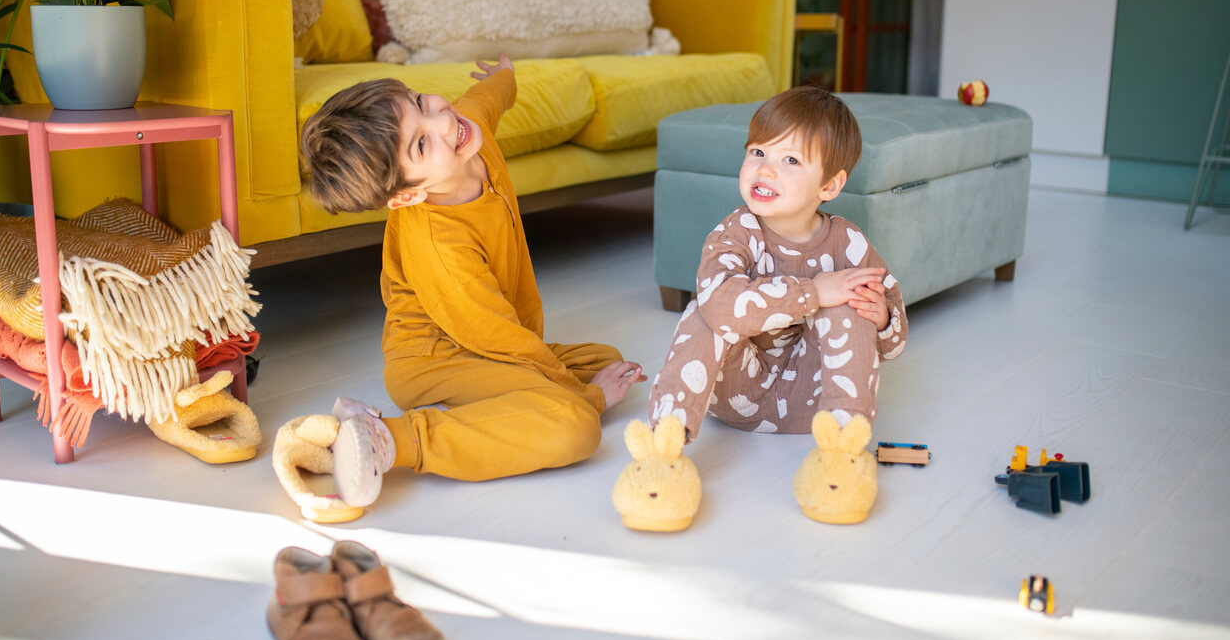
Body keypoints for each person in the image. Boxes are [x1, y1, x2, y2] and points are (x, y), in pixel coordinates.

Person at [298, 53, 647, 504]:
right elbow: (498, 336)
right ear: (407, 195)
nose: (442, 121)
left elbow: (487, 99)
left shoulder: (463, 132)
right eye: (421, 145)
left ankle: (489, 407)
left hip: (481, 336)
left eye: (421, 102)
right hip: (434, 358)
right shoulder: (441, 247)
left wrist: (505, 75)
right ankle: (390, 438)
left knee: (603, 360)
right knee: (576, 424)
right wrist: (590, 400)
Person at [647, 86, 907, 442]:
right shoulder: (735, 232)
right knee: (707, 307)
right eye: (757, 152)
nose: (765, 170)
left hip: (817, 398)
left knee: (853, 300)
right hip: (736, 392)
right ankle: (665, 438)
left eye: (790, 160)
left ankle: (842, 447)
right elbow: (720, 307)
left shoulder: (849, 243)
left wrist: (882, 319)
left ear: (830, 185)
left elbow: (894, 344)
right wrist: (813, 292)